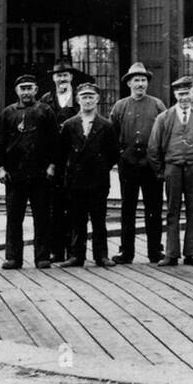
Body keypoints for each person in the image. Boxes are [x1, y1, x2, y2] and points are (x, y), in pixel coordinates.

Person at [0, 73, 59, 270]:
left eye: (29, 88)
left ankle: (42, 257)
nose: (26, 92)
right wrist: (0, 167)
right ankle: (13, 257)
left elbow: (55, 141)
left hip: (40, 174)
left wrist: (52, 165)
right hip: (15, 175)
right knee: (14, 218)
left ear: (36, 90)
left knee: (42, 217)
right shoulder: (7, 113)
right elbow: (0, 143)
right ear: (17, 91)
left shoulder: (45, 111)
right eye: (22, 88)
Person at [110, 61, 167, 265]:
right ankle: (126, 251)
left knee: (154, 209)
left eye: (143, 80)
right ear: (129, 84)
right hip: (129, 166)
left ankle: (155, 251)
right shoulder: (120, 106)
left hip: (151, 166)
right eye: (136, 80)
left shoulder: (158, 105)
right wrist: (121, 156)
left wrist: (159, 161)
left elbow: (165, 135)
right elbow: (112, 135)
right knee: (128, 209)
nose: (140, 84)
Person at [149, 77, 193, 266]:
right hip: (173, 167)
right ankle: (171, 253)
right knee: (172, 210)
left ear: (192, 94)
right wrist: (162, 171)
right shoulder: (164, 118)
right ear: (175, 95)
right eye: (180, 94)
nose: (184, 98)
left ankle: (192, 252)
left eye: (187, 94)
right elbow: (153, 147)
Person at [56, 82, 119, 268]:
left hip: (98, 180)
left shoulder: (106, 125)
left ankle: (102, 256)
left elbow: (113, 153)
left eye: (91, 96)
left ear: (97, 99)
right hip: (76, 180)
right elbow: (62, 153)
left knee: (99, 220)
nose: (88, 100)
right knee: (77, 220)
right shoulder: (69, 125)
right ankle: (77, 256)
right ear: (77, 100)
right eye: (84, 97)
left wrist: (101, 166)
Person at [39, 61, 83, 263]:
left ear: (71, 78)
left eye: (65, 76)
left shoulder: (80, 99)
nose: (62, 79)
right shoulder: (46, 100)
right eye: (58, 76)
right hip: (53, 161)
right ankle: (56, 250)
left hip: (75, 161)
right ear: (53, 79)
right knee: (54, 207)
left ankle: (75, 252)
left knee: (75, 207)